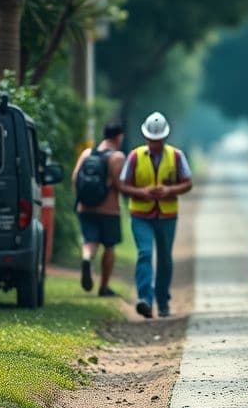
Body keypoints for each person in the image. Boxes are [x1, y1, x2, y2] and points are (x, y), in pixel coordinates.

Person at [118, 111, 193, 319]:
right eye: (152, 140)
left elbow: (188, 183)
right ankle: (145, 299)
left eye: (158, 140)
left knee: (165, 259)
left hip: (167, 216)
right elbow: (123, 184)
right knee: (144, 253)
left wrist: (170, 191)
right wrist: (140, 192)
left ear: (164, 138)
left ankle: (162, 301)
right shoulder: (134, 156)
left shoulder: (176, 156)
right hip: (141, 215)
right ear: (146, 138)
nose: (155, 144)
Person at [72, 122, 126, 297]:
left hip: (85, 207)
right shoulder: (117, 157)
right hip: (109, 210)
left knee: (90, 240)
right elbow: (120, 185)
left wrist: (82, 198)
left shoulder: (87, 153)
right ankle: (104, 287)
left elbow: (75, 178)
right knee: (109, 247)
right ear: (119, 136)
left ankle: (87, 258)